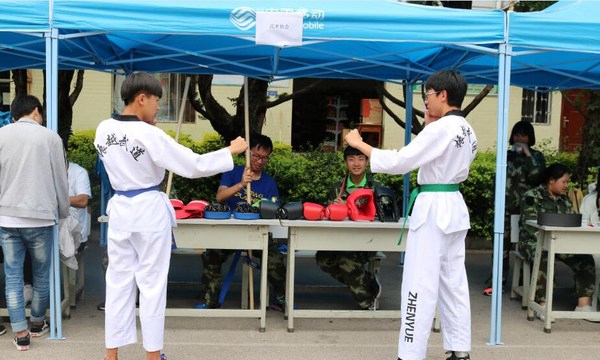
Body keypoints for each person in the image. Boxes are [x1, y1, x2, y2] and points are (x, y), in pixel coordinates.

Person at [94, 72, 247, 360]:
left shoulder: (103, 129)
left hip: (121, 212)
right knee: (152, 285)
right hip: (148, 211)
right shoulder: (149, 134)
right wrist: (230, 150)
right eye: (155, 102)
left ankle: (111, 355)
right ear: (141, 98)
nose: (157, 109)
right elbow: (193, 164)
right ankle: (153, 356)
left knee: (117, 283)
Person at [346, 70, 476, 360]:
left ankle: (411, 353)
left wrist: (360, 144)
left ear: (443, 95)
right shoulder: (466, 129)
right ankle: (459, 349)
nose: (426, 101)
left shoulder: (440, 129)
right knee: (453, 282)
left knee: (419, 281)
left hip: (433, 206)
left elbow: (400, 161)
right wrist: (430, 125)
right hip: (453, 205)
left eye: (428, 95)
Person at [0, 95, 70, 351]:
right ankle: (38, 323)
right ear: (37, 111)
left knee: (13, 275)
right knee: (42, 274)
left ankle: (20, 332)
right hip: (40, 216)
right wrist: (63, 210)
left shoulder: (1, 135)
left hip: (6, 216)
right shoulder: (50, 138)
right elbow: (60, 179)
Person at [197, 134, 287, 311]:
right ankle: (211, 299)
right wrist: (241, 184)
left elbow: (274, 210)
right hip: (231, 232)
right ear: (248, 154)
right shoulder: (233, 172)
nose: (260, 161)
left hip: (257, 233)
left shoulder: (269, 183)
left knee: (276, 260)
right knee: (211, 255)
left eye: (264, 158)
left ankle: (279, 298)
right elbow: (219, 196)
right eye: (256, 156)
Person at [519, 163, 596, 318]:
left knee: (586, 259)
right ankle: (543, 305)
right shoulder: (532, 196)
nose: (566, 185)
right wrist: (551, 242)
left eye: (568, 182)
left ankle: (583, 306)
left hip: (560, 242)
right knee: (544, 256)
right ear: (551, 180)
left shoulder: (565, 200)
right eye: (564, 182)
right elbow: (530, 226)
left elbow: (571, 222)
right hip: (533, 242)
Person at [315, 145, 383, 310]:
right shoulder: (338, 187)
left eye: (361, 159)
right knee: (323, 259)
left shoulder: (376, 187)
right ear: (345, 162)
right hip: (340, 238)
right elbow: (329, 214)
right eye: (351, 159)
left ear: (367, 161)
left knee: (347, 263)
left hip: (367, 240)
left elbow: (380, 216)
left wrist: (349, 207)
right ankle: (368, 281)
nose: (356, 163)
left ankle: (367, 301)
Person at [483, 120, 546, 296]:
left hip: (527, 210)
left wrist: (528, 156)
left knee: (525, 247)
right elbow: (497, 180)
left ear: (530, 137)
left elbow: (537, 178)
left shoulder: (537, 157)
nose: (519, 138)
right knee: (500, 246)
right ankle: (497, 282)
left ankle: (523, 285)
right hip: (504, 207)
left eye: (523, 135)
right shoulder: (506, 156)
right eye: (517, 134)